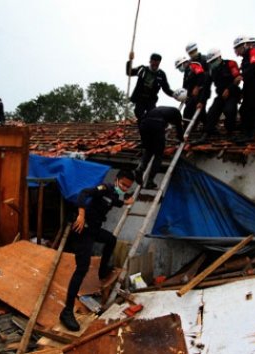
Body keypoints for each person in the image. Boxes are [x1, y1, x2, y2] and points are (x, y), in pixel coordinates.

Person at [60, 170, 135, 331]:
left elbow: (115, 202)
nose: (124, 188)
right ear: (116, 181)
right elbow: (84, 193)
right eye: (122, 184)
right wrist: (81, 214)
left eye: (127, 187)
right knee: (82, 268)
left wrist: (126, 202)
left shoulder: (114, 196)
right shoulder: (105, 188)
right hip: (83, 229)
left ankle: (102, 271)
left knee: (111, 240)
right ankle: (66, 311)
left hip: (94, 230)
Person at [194, 48, 241, 143]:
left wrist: (229, 89)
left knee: (229, 110)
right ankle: (206, 134)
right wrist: (201, 102)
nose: (212, 63)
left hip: (232, 93)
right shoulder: (211, 71)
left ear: (219, 57)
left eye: (213, 61)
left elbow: (238, 79)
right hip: (221, 95)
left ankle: (230, 132)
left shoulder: (231, 64)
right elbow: (206, 88)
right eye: (210, 62)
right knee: (212, 113)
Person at [134, 106, 184, 189]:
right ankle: (150, 181)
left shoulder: (160, 110)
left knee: (149, 150)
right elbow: (179, 128)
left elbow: (150, 121)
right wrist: (181, 139)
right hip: (156, 125)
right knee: (158, 154)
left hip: (143, 125)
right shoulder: (177, 114)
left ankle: (140, 168)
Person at [126, 53, 179, 123]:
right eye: (153, 64)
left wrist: (175, 95)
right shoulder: (142, 69)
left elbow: (166, 89)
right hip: (140, 98)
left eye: (157, 64)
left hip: (151, 100)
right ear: (150, 61)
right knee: (139, 113)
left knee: (153, 116)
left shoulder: (161, 74)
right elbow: (129, 72)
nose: (155, 66)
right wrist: (130, 60)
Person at [183, 42, 212, 129]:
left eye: (193, 51)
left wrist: (198, 86)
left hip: (203, 89)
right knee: (188, 109)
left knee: (200, 108)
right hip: (191, 92)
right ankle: (188, 127)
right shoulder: (189, 64)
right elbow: (185, 79)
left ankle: (208, 127)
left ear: (196, 49)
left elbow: (209, 75)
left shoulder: (205, 59)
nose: (192, 54)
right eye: (190, 53)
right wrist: (184, 92)